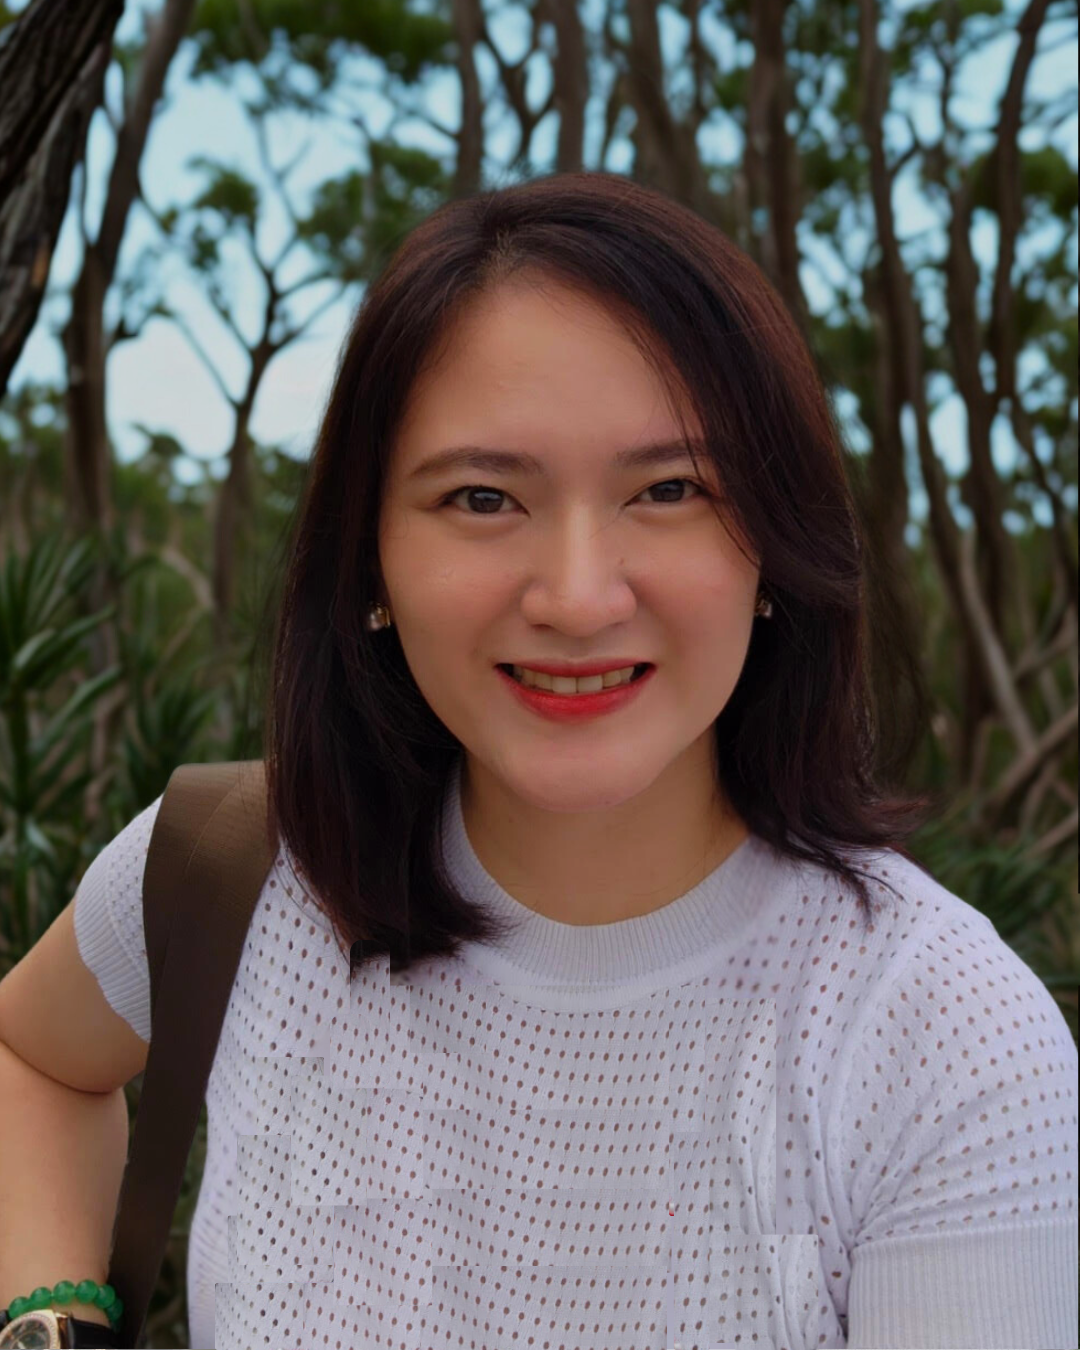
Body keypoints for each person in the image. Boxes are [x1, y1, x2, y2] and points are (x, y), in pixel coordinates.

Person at [1, 171, 1075, 1350]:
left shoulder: (943, 1046)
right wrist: (48, 1318)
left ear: (773, 545)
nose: (576, 597)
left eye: (670, 490)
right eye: (482, 497)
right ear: (368, 562)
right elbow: (32, 1060)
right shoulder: (234, 869)